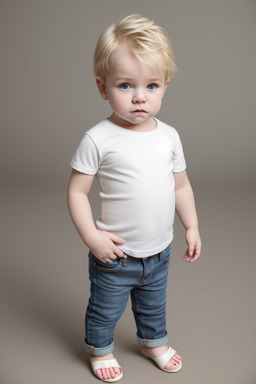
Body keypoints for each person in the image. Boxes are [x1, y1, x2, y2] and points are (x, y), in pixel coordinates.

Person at [67, 14, 201, 383]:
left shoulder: (169, 136)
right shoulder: (99, 138)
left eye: (151, 85)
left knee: (154, 306)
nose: (139, 96)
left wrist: (191, 226)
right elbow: (77, 192)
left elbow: (181, 186)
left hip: (160, 251)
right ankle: (101, 348)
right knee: (105, 310)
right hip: (116, 255)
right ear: (102, 87)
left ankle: (153, 342)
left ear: (165, 87)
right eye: (125, 85)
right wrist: (93, 238)